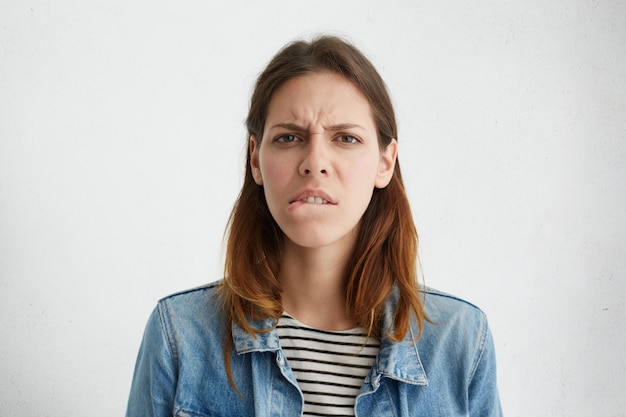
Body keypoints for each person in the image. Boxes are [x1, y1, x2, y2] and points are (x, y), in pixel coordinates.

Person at [126, 35, 502, 417]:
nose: (315, 162)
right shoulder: (179, 336)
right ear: (255, 159)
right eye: (289, 137)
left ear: (385, 162)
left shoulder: (461, 342)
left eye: (346, 138)